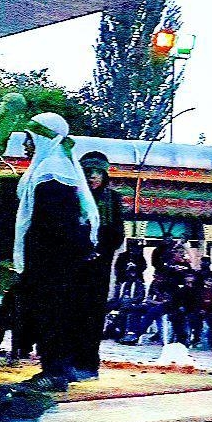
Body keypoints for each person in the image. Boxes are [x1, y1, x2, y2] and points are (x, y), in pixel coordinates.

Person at [12, 113, 100, 391]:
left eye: (30, 139)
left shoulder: (52, 172)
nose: (26, 146)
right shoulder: (52, 166)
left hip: (51, 260)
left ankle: (55, 372)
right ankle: (57, 368)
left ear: (44, 138)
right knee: (55, 314)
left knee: (52, 315)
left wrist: (43, 258)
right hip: (54, 259)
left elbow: (56, 222)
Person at [72, 151, 127, 380]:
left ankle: (88, 364)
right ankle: (69, 361)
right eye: (89, 172)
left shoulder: (112, 199)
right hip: (75, 264)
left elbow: (117, 233)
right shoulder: (74, 196)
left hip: (99, 266)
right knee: (73, 313)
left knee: (93, 314)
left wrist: (99, 251)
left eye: (98, 173)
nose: (93, 177)